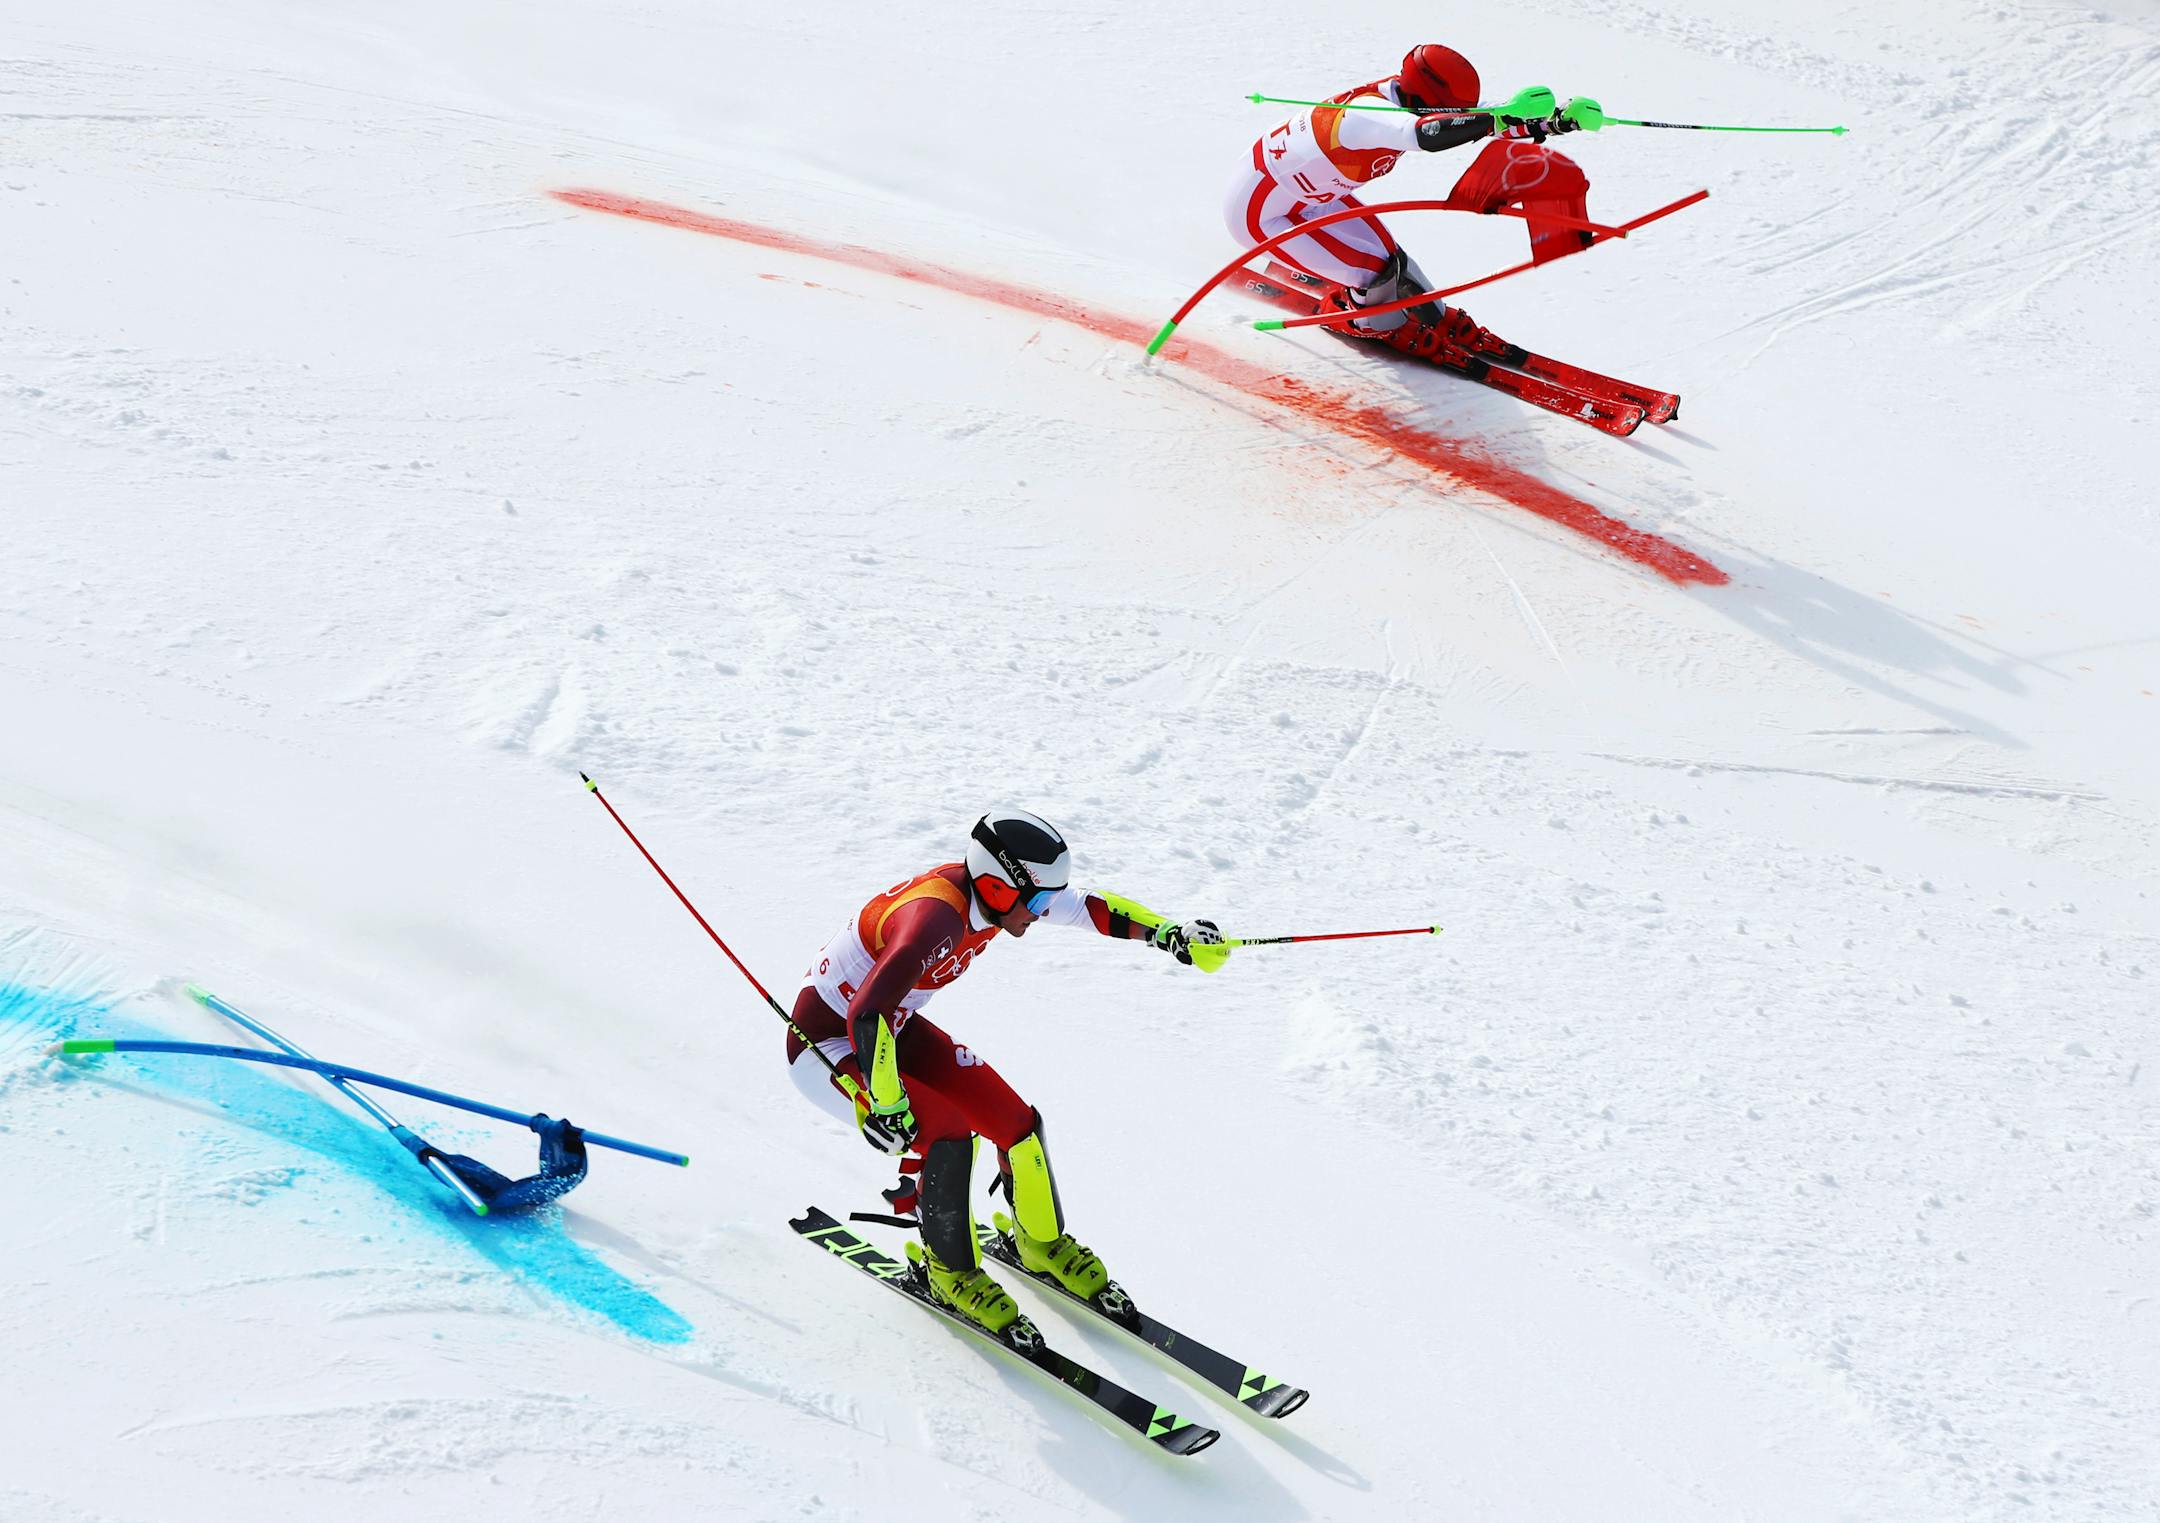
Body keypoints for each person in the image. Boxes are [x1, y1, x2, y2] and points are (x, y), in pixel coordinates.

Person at [785, 809, 1228, 1333]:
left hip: (891, 1030)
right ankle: (948, 1273)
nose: (1041, 913)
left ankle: (1039, 1242)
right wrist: (886, 1101)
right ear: (997, 887)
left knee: (1017, 1126)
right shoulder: (936, 920)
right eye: (1036, 901)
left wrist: (1167, 933)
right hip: (829, 1046)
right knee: (949, 1136)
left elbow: (1085, 907)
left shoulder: (998, 899)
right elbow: (866, 1012)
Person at [1225, 44, 1602, 359]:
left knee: (1394, 261)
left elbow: (1476, 115)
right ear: (1426, 98)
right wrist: (1497, 118)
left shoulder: (1405, 96)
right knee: (1373, 271)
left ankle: (1432, 315)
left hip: (1313, 196)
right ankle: (1370, 324)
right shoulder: (1367, 115)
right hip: (1263, 213)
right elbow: (1426, 134)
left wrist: (1553, 121)